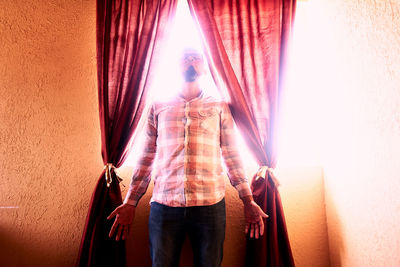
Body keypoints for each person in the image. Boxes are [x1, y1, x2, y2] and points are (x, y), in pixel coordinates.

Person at [107, 47, 268, 267]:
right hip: (164, 206)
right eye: (184, 58)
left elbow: (232, 155)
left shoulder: (219, 107)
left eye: (196, 58)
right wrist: (130, 203)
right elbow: (146, 157)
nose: (190, 61)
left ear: (205, 67)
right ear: (175, 66)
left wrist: (247, 200)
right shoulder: (158, 106)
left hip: (210, 207)